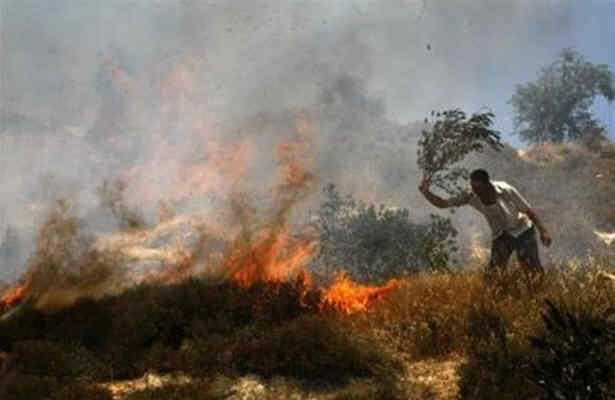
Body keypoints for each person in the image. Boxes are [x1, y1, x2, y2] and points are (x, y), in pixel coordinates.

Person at [419, 169, 551, 273]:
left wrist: (543, 231)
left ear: (488, 184)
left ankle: (539, 293)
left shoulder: (505, 189)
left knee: (531, 267)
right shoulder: (470, 195)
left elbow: (528, 210)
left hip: (522, 229)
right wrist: (426, 193)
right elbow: (443, 203)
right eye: (474, 189)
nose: (477, 193)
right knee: (494, 272)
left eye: (479, 189)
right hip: (502, 235)